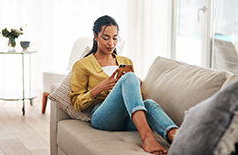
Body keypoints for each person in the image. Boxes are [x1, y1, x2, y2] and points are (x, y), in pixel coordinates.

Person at [70, 15, 178, 154]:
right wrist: (99, 88)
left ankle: (178, 137)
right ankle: (146, 136)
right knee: (129, 78)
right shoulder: (82, 65)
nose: (111, 43)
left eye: (115, 38)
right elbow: (76, 103)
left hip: (128, 116)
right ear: (95, 36)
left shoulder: (125, 61)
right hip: (102, 116)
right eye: (106, 37)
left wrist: (133, 85)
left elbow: (137, 98)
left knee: (149, 103)